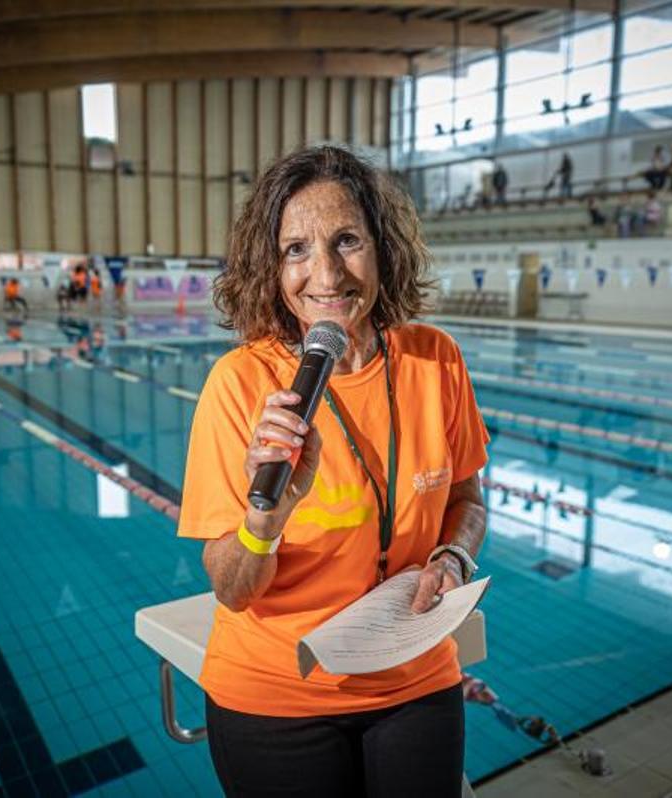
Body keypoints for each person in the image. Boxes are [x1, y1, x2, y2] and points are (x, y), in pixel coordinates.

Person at [177, 145, 490, 798]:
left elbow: (468, 496)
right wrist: (268, 515)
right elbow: (233, 591)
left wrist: (454, 558)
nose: (324, 273)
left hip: (412, 671)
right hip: (276, 693)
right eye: (295, 249)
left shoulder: (436, 360)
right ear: (272, 265)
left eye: (346, 240)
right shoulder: (240, 384)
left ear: (382, 248)